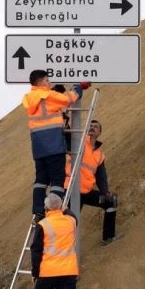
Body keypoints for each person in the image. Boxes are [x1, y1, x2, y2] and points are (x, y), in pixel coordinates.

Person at [22, 70, 91, 221]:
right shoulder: (47, 95)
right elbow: (69, 99)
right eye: (47, 80)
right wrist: (78, 86)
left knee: (41, 179)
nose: (49, 82)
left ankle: (38, 210)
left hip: (38, 146)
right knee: (57, 180)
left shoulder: (29, 98)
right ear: (40, 82)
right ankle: (55, 210)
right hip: (53, 144)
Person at [18, 193, 80, 289]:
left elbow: (36, 251)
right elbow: (71, 214)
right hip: (68, 271)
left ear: (46, 208)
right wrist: (64, 209)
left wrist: (35, 273)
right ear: (61, 207)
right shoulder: (71, 221)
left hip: (48, 272)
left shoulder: (43, 225)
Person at [64, 119, 119, 245]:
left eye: (95, 127)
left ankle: (108, 237)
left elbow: (101, 177)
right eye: (90, 125)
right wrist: (65, 124)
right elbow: (68, 137)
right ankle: (63, 251)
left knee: (111, 202)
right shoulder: (79, 142)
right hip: (71, 190)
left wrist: (105, 192)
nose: (92, 128)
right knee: (69, 222)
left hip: (86, 192)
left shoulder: (99, 155)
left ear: (99, 132)